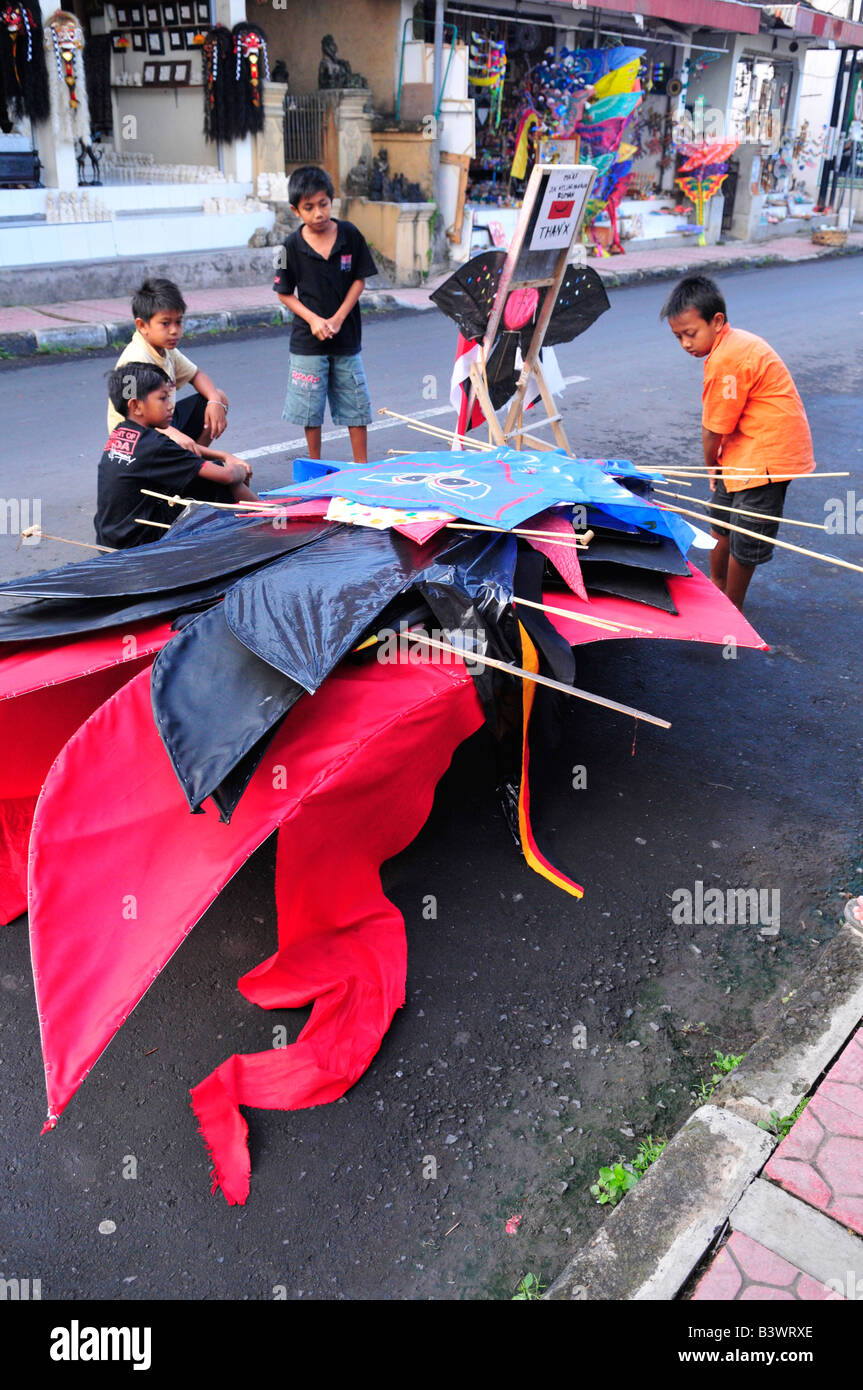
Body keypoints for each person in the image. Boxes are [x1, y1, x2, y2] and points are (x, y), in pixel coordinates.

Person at [661, 274, 814, 611]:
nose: (685, 343)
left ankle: (732, 606)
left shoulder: (728, 358)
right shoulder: (727, 347)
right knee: (721, 516)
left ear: (717, 322)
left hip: (767, 456)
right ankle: (717, 585)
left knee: (748, 534)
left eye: (690, 333)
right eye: (678, 336)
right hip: (742, 447)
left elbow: (712, 429)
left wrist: (711, 468)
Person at [273, 164, 378, 465]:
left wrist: (338, 319)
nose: (318, 213)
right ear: (295, 210)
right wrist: (314, 320)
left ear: (332, 201)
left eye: (323, 204)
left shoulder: (350, 235)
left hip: (346, 339)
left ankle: (361, 466)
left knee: (356, 405)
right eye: (309, 207)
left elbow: (359, 279)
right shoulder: (288, 247)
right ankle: (315, 464)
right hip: (308, 342)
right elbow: (283, 293)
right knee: (310, 409)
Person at [96, 364, 255, 549]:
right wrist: (239, 470)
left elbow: (182, 456)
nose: (170, 406)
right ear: (136, 406)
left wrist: (225, 459)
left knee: (200, 477)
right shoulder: (155, 445)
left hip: (110, 537)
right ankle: (270, 521)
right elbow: (226, 476)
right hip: (137, 542)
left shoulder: (121, 432)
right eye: (163, 399)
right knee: (220, 479)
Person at [107, 278, 230, 449]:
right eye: (165, 323)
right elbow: (132, 419)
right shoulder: (134, 360)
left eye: (178, 322)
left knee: (219, 398)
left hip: (162, 421)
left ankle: (193, 459)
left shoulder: (166, 350)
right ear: (142, 326)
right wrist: (173, 434)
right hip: (135, 438)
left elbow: (196, 375)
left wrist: (215, 401)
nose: (174, 330)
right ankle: (190, 461)